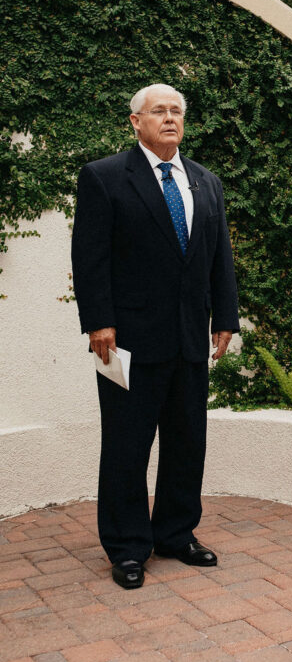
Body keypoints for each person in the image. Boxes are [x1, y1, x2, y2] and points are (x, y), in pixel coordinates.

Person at [71, 84, 239, 589]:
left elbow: (218, 256)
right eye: (159, 111)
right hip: (127, 339)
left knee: (188, 441)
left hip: (190, 336)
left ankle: (175, 532)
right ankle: (126, 546)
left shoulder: (206, 183)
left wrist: (225, 316)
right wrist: (98, 321)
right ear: (135, 122)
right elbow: (90, 256)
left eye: (177, 111)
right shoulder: (104, 178)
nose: (170, 118)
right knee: (126, 444)